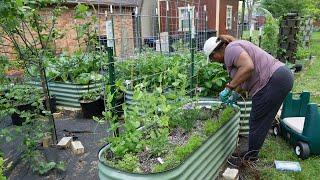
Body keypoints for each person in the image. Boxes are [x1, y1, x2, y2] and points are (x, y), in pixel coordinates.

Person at [203, 35, 294, 167]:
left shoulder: (231, 50)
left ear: (216, 51)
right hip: (279, 78)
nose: (213, 61)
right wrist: (234, 94)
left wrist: (229, 88)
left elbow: (248, 67)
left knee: (257, 121)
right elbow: (243, 76)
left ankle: (249, 159)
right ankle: (251, 154)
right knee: (261, 120)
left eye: (212, 58)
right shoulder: (233, 50)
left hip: (273, 80)